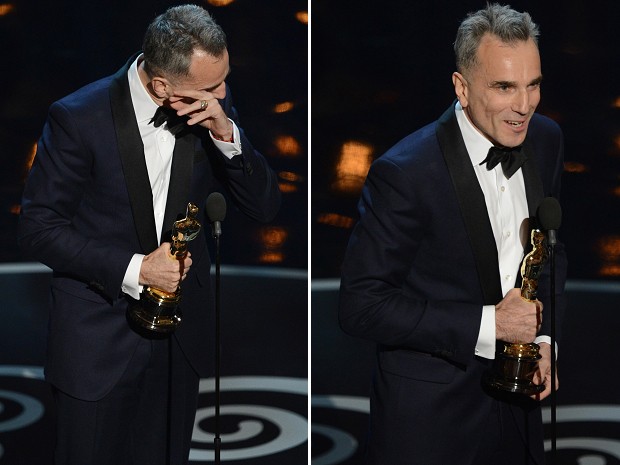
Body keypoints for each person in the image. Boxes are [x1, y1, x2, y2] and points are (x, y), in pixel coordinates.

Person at [18, 4, 281, 465]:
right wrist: (139, 269)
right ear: (161, 86)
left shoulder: (210, 105)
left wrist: (227, 134)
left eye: (224, 81)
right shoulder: (78, 118)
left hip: (178, 344)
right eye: (210, 87)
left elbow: (263, 206)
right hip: (97, 341)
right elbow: (39, 229)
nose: (220, 93)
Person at [338, 4, 567, 464]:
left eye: (533, 84)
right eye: (504, 87)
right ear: (462, 88)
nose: (523, 105)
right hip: (430, 420)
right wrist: (490, 325)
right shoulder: (406, 172)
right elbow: (360, 306)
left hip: (520, 409)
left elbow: (552, 252)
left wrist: (544, 341)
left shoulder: (545, 139)